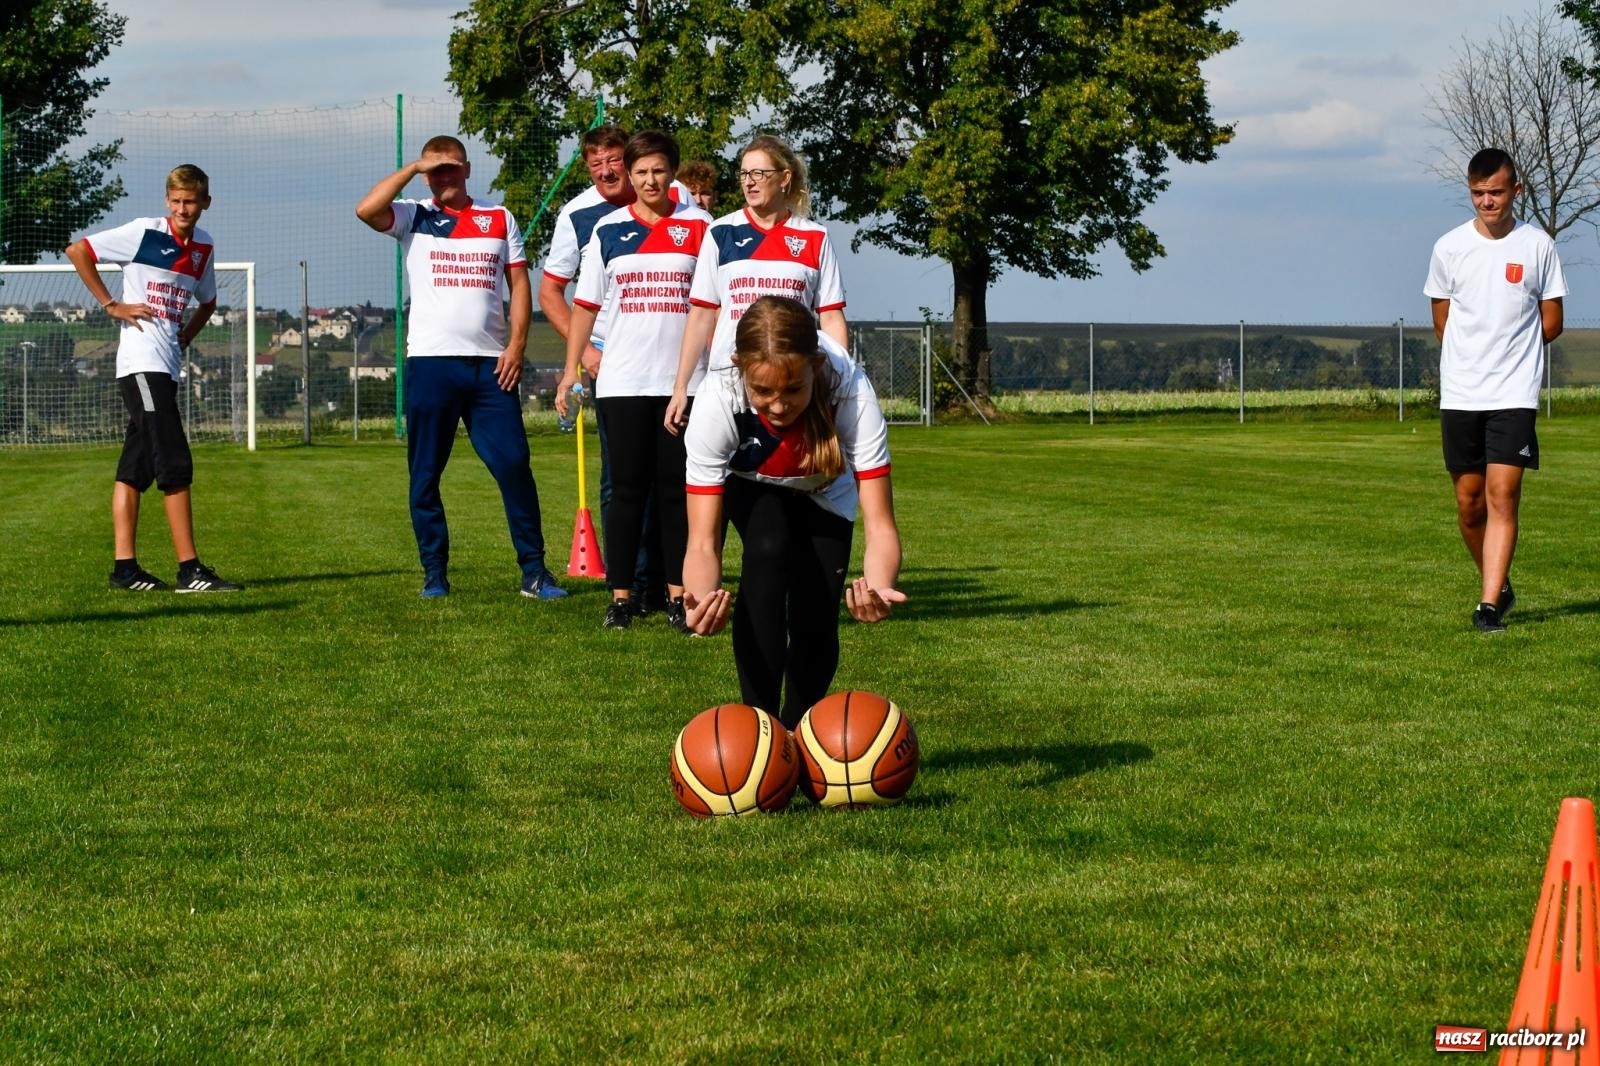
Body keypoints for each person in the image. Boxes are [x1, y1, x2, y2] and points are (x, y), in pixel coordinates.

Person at [355, 134, 566, 600]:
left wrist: (517, 345)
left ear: (468, 169)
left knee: (514, 465)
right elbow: (366, 210)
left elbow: (519, 283)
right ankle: (435, 574)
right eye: (435, 171)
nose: (443, 177)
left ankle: (534, 572)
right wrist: (413, 167)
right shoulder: (414, 215)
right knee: (426, 474)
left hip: (492, 367)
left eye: (451, 168)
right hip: (431, 364)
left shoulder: (498, 217)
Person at [681, 295, 904, 727]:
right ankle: (761, 732)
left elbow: (881, 526)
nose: (778, 405)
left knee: (817, 605)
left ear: (816, 367)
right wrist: (701, 598)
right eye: (762, 390)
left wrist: (878, 586)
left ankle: (800, 733)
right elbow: (703, 541)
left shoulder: (851, 392)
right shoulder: (716, 397)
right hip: (751, 485)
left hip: (825, 492)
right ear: (739, 367)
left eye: (793, 389)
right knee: (768, 547)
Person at [555, 131, 712, 630]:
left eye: (659, 170)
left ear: (672, 174)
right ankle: (621, 598)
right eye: (640, 171)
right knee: (625, 492)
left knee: (674, 492)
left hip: (682, 383)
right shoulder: (608, 229)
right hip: (622, 380)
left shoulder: (702, 227)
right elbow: (584, 304)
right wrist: (569, 370)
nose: (649, 179)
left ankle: (676, 596)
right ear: (630, 174)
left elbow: (715, 303)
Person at [65, 164, 242, 594]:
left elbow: (209, 301)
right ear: (167, 200)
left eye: (191, 201)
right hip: (141, 364)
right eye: (177, 201)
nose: (184, 209)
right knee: (175, 462)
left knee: (135, 468)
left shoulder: (203, 245)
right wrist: (112, 304)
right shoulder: (145, 232)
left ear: (206, 203)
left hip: (166, 366)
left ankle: (125, 571)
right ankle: (190, 571)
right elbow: (78, 251)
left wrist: (186, 336)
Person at [1424, 147, 1566, 633]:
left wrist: (1512, 355)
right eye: (1479, 193)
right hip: (1461, 393)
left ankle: (1487, 607)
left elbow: (1552, 322)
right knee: (1469, 503)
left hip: (1514, 394)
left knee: (1503, 494)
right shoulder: (1448, 247)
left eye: (1496, 192)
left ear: (1515, 191)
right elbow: (1442, 318)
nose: (1487, 202)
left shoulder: (1538, 245)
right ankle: (1498, 582)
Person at [665, 134, 847, 435]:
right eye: (744, 174)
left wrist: (839, 381)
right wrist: (681, 386)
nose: (749, 182)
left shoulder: (814, 236)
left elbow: (830, 317)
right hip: (730, 385)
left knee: (792, 479)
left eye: (759, 173)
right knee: (724, 480)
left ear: (785, 177)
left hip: (789, 386)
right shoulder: (720, 232)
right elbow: (700, 314)